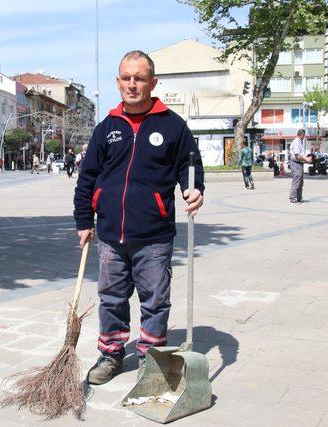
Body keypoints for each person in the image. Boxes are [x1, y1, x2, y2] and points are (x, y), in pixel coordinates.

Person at [73, 50, 204, 385]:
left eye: (140, 78)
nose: (132, 85)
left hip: (154, 235)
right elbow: (88, 177)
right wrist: (83, 221)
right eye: (126, 78)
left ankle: (151, 357)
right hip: (109, 235)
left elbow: (189, 165)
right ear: (118, 83)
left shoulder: (173, 126)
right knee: (111, 298)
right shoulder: (107, 128)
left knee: (155, 300)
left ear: (152, 82)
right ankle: (111, 354)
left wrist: (193, 189)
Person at [289, 129, 312, 203]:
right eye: (304, 135)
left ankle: (299, 198)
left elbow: (300, 156)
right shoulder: (296, 142)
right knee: (296, 181)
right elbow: (297, 156)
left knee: (300, 182)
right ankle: (292, 199)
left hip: (299, 164)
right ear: (302, 135)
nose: (304, 137)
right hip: (296, 164)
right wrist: (306, 159)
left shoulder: (299, 142)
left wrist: (306, 160)